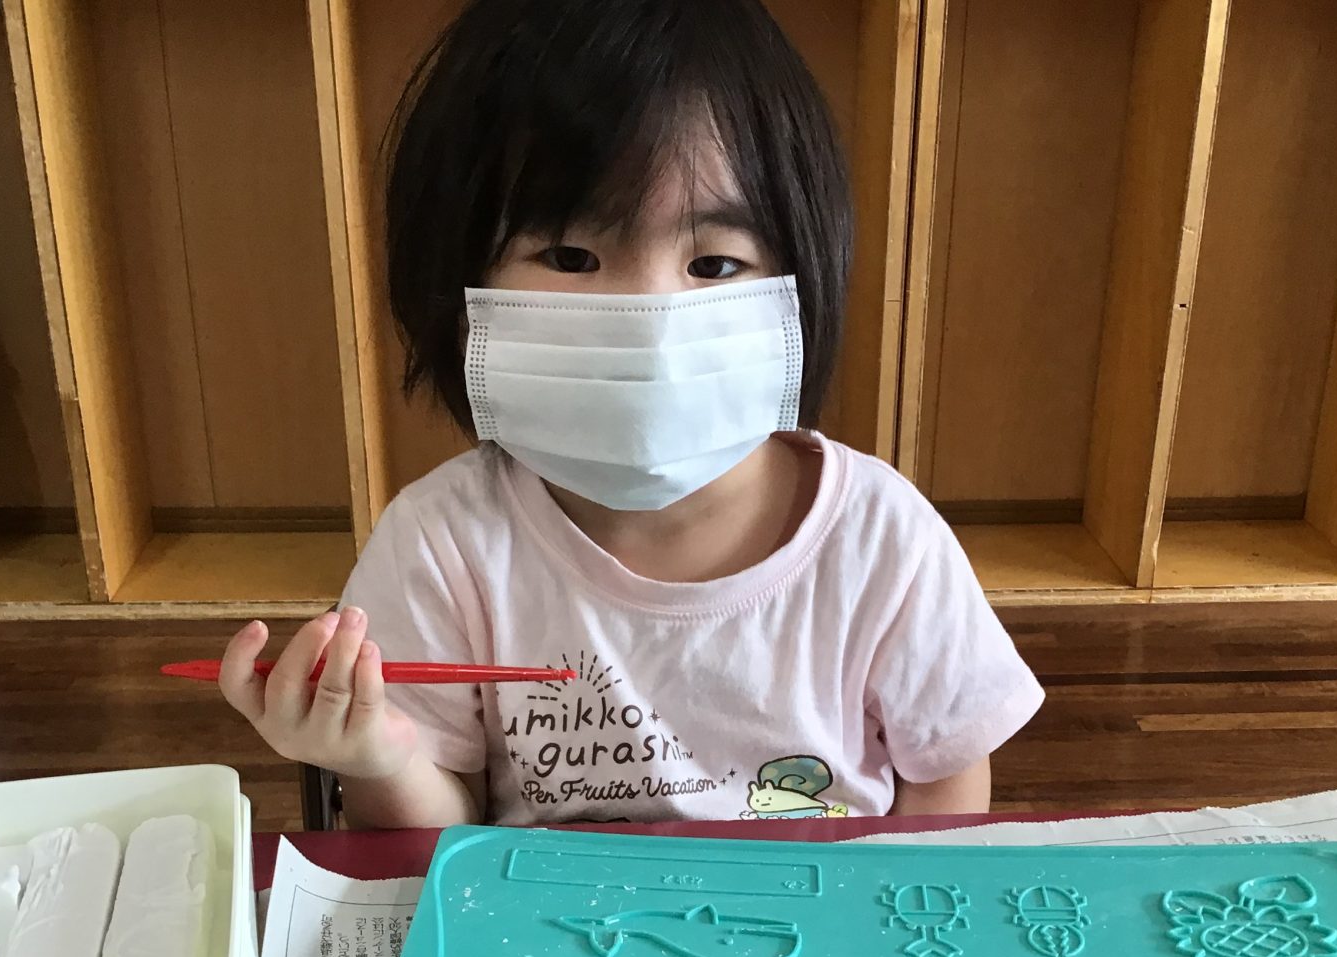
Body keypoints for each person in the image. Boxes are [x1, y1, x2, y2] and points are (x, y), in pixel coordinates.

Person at [219, 0, 1041, 828]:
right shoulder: (442, 544)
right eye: (571, 255)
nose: (649, 321)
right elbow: (439, 840)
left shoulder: (882, 537)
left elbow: (946, 782)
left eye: (714, 264)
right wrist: (379, 757)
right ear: (456, 276)